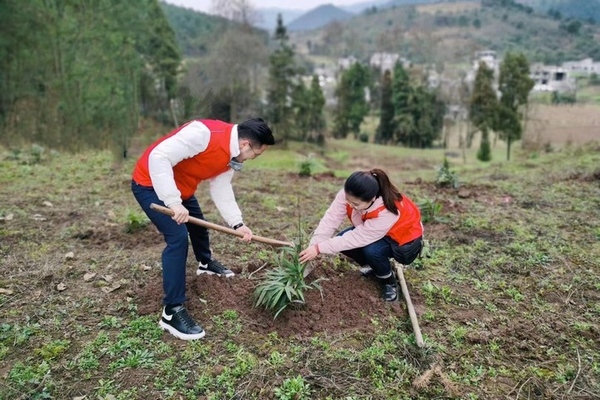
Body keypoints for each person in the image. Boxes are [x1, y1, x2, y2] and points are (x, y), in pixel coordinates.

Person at [131, 117, 275, 340]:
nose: (251, 159)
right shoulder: (203, 134)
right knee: (178, 237)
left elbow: (221, 186)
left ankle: (206, 263)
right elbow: (159, 156)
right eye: (255, 154)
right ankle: (172, 311)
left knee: (198, 225)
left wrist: (237, 223)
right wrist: (173, 201)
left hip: (181, 189)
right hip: (150, 183)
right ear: (245, 144)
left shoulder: (232, 155)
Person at [299, 169, 423, 302]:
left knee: (372, 251)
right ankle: (376, 267)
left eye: (355, 204)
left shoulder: (388, 211)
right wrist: (313, 247)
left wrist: (319, 248)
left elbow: (357, 238)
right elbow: (331, 220)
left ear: (372, 199)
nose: (350, 205)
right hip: (375, 231)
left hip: (402, 239)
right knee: (344, 242)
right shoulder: (350, 195)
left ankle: (389, 281)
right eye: (348, 200)